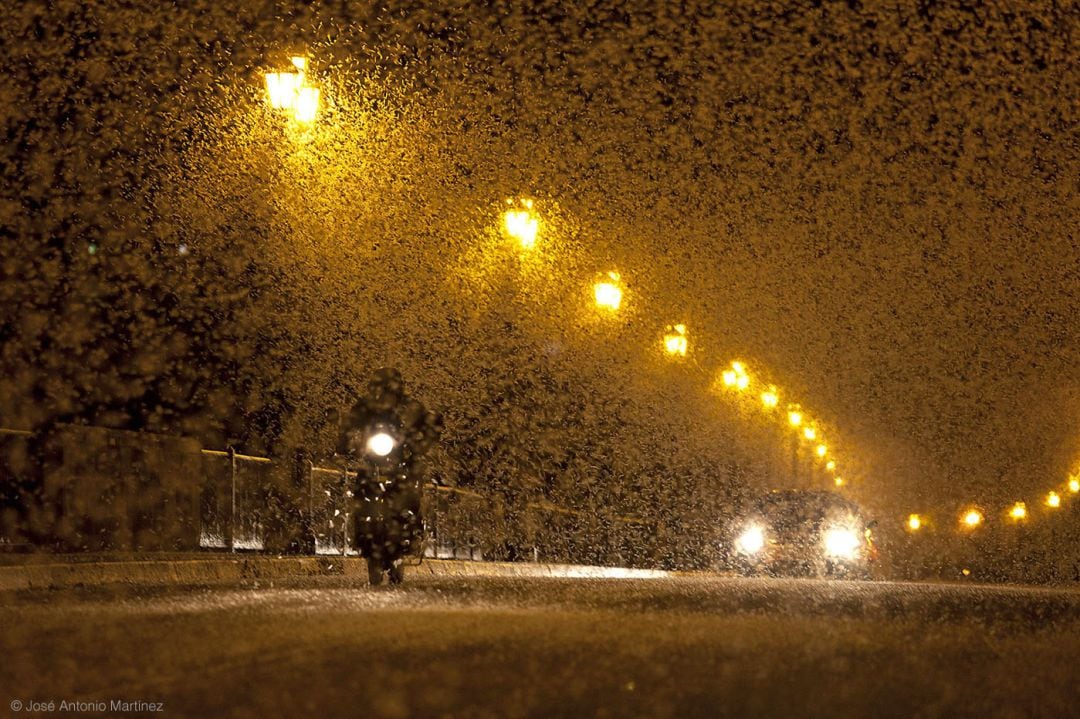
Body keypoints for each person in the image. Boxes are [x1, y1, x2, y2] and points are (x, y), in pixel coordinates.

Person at [338, 369, 441, 585]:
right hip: (371, 463)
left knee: (410, 492)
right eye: (380, 389)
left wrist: (421, 444)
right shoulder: (365, 407)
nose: (384, 394)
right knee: (360, 493)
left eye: (388, 389)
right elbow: (348, 427)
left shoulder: (410, 408)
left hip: (402, 463)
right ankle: (362, 535)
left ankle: (411, 534)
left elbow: (429, 426)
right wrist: (346, 443)